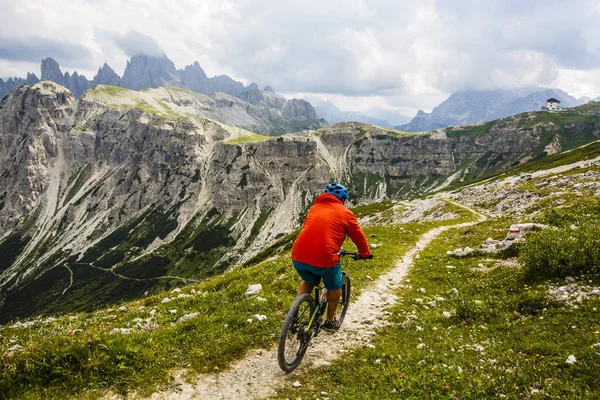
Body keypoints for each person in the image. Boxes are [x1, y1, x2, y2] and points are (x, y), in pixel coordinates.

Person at [291, 183, 371, 332]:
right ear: (343, 199)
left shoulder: (314, 208)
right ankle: (329, 321)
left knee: (308, 279)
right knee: (334, 285)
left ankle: (292, 318)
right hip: (324, 258)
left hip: (298, 255)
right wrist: (365, 254)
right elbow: (359, 237)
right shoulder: (346, 213)